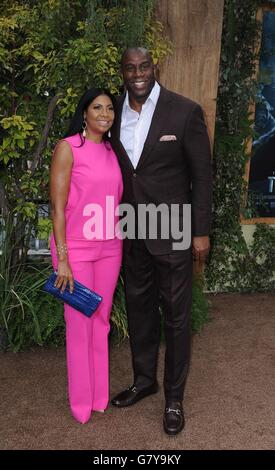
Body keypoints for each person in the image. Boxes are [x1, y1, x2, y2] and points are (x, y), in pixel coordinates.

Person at [110, 47, 212, 435]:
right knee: (138, 312)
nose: (138, 73)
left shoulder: (184, 111)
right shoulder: (112, 111)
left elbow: (202, 176)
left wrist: (200, 231)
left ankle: (174, 398)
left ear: (156, 68)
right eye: (130, 67)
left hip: (173, 231)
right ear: (123, 72)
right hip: (132, 231)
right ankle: (144, 381)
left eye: (144, 66)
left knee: (176, 317)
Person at [49, 88, 123, 424]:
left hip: (109, 248)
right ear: (85, 113)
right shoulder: (68, 148)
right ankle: (81, 403)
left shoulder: (111, 150)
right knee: (79, 324)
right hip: (74, 250)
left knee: (100, 323)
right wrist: (62, 258)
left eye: (109, 108)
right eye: (97, 107)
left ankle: (98, 396)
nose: (105, 113)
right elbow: (57, 208)